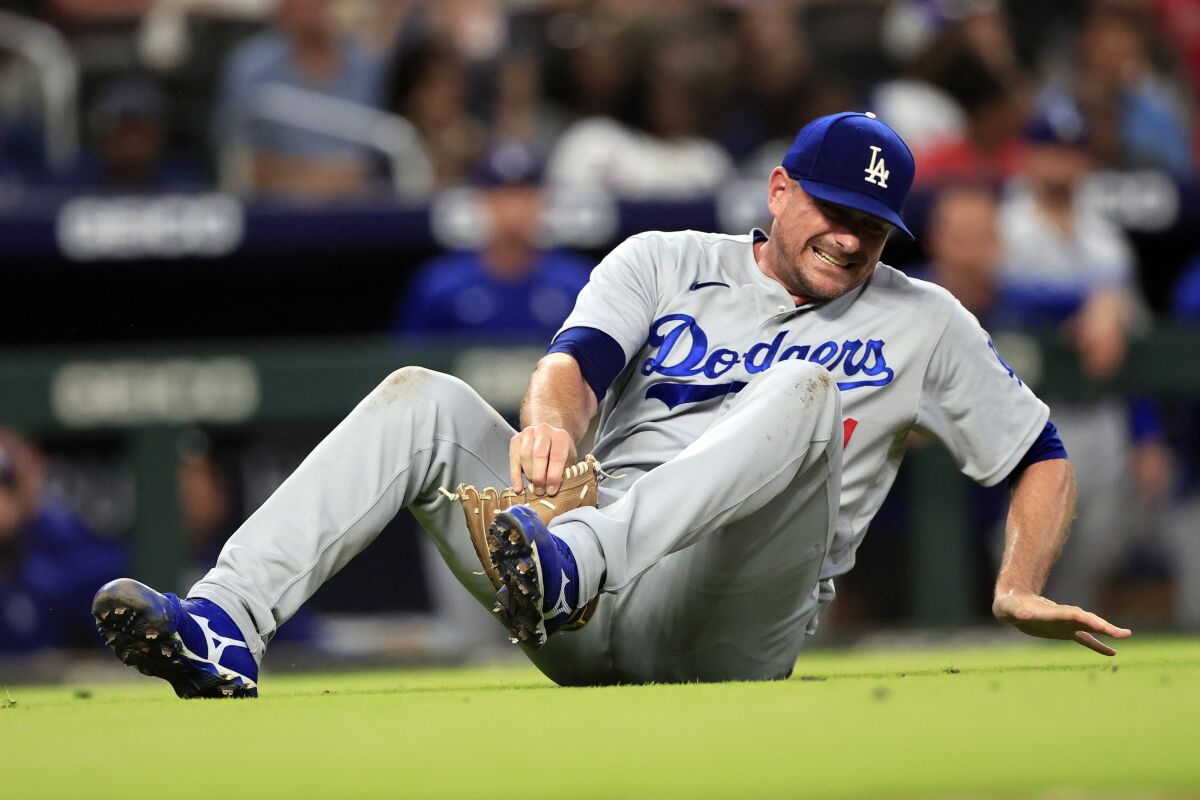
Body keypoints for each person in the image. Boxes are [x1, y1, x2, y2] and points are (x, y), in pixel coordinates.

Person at [93, 112, 1130, 697]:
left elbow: (1039, 447)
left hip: (736, 617)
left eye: (875, 224)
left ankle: (569, 565)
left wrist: (1020, 579)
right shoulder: (665, 259)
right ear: (778, 189)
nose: (854, 238)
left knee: (810, 390)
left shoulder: (925, 317)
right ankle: (226, 621)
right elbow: (575, 361)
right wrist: (547, 421)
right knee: (422, 399)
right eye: (834, 208)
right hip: (579, 596)